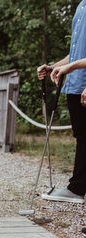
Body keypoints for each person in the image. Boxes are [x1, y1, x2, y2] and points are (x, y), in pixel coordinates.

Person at [37, 1, 86, 204]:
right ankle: (77, 187)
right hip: (75, 83)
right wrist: (54, 67)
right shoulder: (81, 5)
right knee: (82, 136)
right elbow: (75, 52)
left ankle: (76, 188)